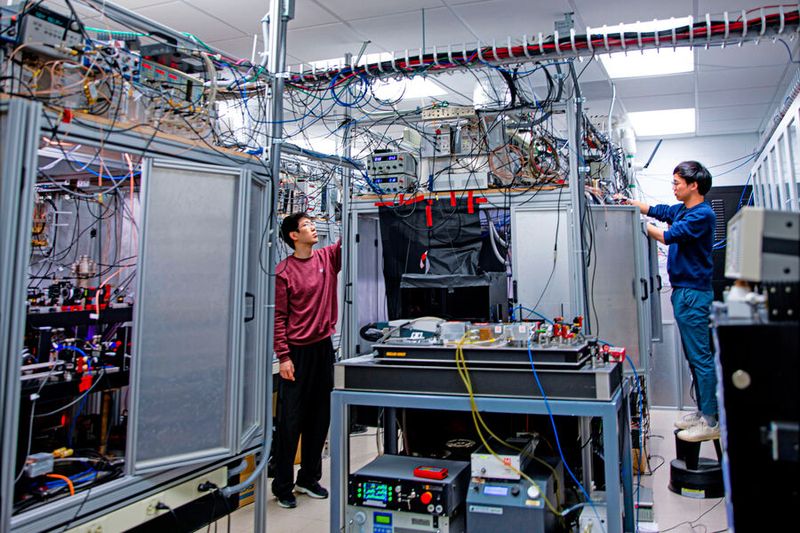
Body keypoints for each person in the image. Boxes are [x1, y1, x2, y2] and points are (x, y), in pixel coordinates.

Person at [624, 161, 718, 442]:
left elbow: (667, 236)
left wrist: (637, 222)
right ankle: (703, 412)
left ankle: (711, 420)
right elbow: (660, 211)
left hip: (693, 294)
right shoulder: (683, 210)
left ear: (694, 185)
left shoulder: (702, 215)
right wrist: (629, 203)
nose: (674, 187)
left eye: (677, 183)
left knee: (701, 358)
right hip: (684, 292)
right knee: (694, 358)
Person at [271, 212, 341, 508]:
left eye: (313, 223)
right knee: (291, 420)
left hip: (322, 348)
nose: (313, 227)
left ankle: (309, 478)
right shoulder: (284, 272)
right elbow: (279, 317)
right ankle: (282, 486)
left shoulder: (327, 258)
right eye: (306, 225)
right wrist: (284, 357)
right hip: (296, 353)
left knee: (320, 417)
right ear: (293, 236)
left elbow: (350, 239)